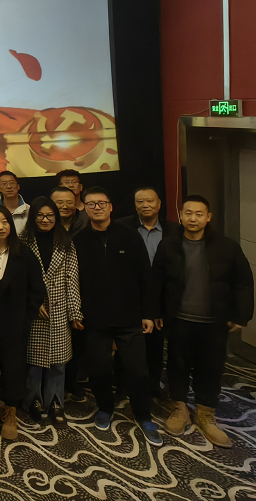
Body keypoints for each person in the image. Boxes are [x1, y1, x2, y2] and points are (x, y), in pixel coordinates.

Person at [154, 195, 254, 447]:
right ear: (181, 216)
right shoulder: (169, 245)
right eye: (188, 213)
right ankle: (179, 409)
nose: (193, 218)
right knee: (177, 365)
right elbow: (157, 281)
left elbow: (243, 283)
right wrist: (155, 312)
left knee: (210, 368)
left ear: (208, 217)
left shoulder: (227, 246)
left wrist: (241, 316)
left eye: (199, 214)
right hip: (179, 319)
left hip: (213, 321)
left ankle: (206, 414)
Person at [74, 187, 161, 446]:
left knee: (138, 370)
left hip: (129, 317)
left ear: (111, 206)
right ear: (85, 208)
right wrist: (76, 312)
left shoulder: (130, 236)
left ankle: (143, 415)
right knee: (99, 369)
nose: (97, 208)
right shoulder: (78, 240)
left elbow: (146, 277)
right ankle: (105, 408)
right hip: (94, 318)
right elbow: (73, 281)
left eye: (101, 203)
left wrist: (148, 313)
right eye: (91, 204)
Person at [0, 206, 45, 439]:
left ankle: (10, 411)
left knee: (14, 366)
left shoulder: (24, 253)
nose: (1, 227)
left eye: (5, 222)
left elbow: (37, 289)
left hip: (16, 322)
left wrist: (27, 316)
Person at [17, 199, 82, 426]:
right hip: (34, 310)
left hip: (59, 308)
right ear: (32, 217)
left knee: (58, 361)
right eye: (40, 215)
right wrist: (33, 303)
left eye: (50, 216)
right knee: (34, 361)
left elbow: (72, 279)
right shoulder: (22, 241)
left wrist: (75, 312)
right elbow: (19, 278)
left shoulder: (66, 242)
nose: (45, 220)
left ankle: (55, 402)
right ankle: (33, 401)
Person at [118, 186, 171, 397]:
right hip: (129, 294)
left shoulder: (173, 230)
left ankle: (153, 384)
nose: (145, 205)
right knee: (126, 344)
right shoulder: (121, 227)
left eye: (150, 201)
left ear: (159, 204)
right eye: (140, 202)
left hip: (161, 295)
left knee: (155, 344)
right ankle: (123, 385)